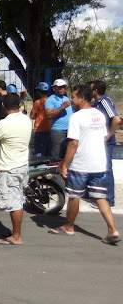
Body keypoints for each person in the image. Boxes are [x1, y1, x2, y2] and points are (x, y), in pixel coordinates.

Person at [51, 84, 119, 245]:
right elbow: (102, 136)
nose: (71, 99)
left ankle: (69, 226)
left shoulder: (76, 117)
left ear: (82, 98)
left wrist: (64, 164)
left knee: (74, 196)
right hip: (99, 164)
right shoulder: (99, 115)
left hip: (81, 164)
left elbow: (73, 143)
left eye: (73, 97)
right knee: (101, 197)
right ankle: (112, 230)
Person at [0, 93, 32, 245]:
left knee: (15, 203)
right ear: (20, 104)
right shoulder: (26, 120)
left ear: (4, 106)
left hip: (9, 167)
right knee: (17, 198)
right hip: (22, 165)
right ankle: (15, 232)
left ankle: (17, 236)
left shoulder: (4, 124)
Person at [89, 80, 121, 207]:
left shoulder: (104, 101)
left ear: (95, 91)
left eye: (90, 89)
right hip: (99, 142)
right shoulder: (96, 103)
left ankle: (108, 200)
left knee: (107, 169)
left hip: (106, 143)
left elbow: (116, 119)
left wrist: (108, 135)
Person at [45, 79, 73, 158]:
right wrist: (62, 107)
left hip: (70, 129)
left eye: (64, 87)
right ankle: (55, 169)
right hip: (58, 131)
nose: (63, 89)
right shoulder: (50, 100)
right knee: (57, 153)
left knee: (68, 152)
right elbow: (49, 115)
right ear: (54, 88)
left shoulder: (66, 99)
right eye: (60, 87)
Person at [30, 82, 52, 156]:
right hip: (49, 128)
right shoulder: (50, 101)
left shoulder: (37, 102)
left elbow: (31, 116)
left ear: (39, 91)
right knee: (48, 150)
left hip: (39, 129)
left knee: (39, 150)